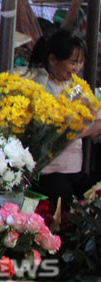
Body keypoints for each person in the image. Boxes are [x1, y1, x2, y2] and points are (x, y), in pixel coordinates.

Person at [26, 30, 101, 206]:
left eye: (81, 62)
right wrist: (76, 130)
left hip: (75, 168)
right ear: (53, 60)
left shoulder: (76, 87)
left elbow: (96, 122)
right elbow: (50, 129)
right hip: (49, 172)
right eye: (73, 62)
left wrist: (76, 131)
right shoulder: (40, 86)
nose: (78, 68)